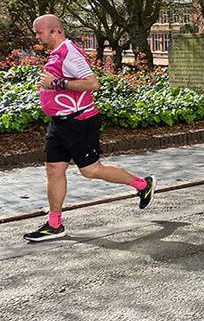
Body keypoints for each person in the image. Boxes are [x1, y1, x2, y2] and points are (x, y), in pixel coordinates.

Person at [23, 15, 156, 242]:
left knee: (91, 170)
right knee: (54, 169)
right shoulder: (56, 54)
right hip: (59, 123)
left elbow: (92, 83)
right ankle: (54, 225)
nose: (37, 37)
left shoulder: (70, 53)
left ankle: (143, 184)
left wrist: (55, 84)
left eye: (39, 32)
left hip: (79, 122)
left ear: (55, 31)